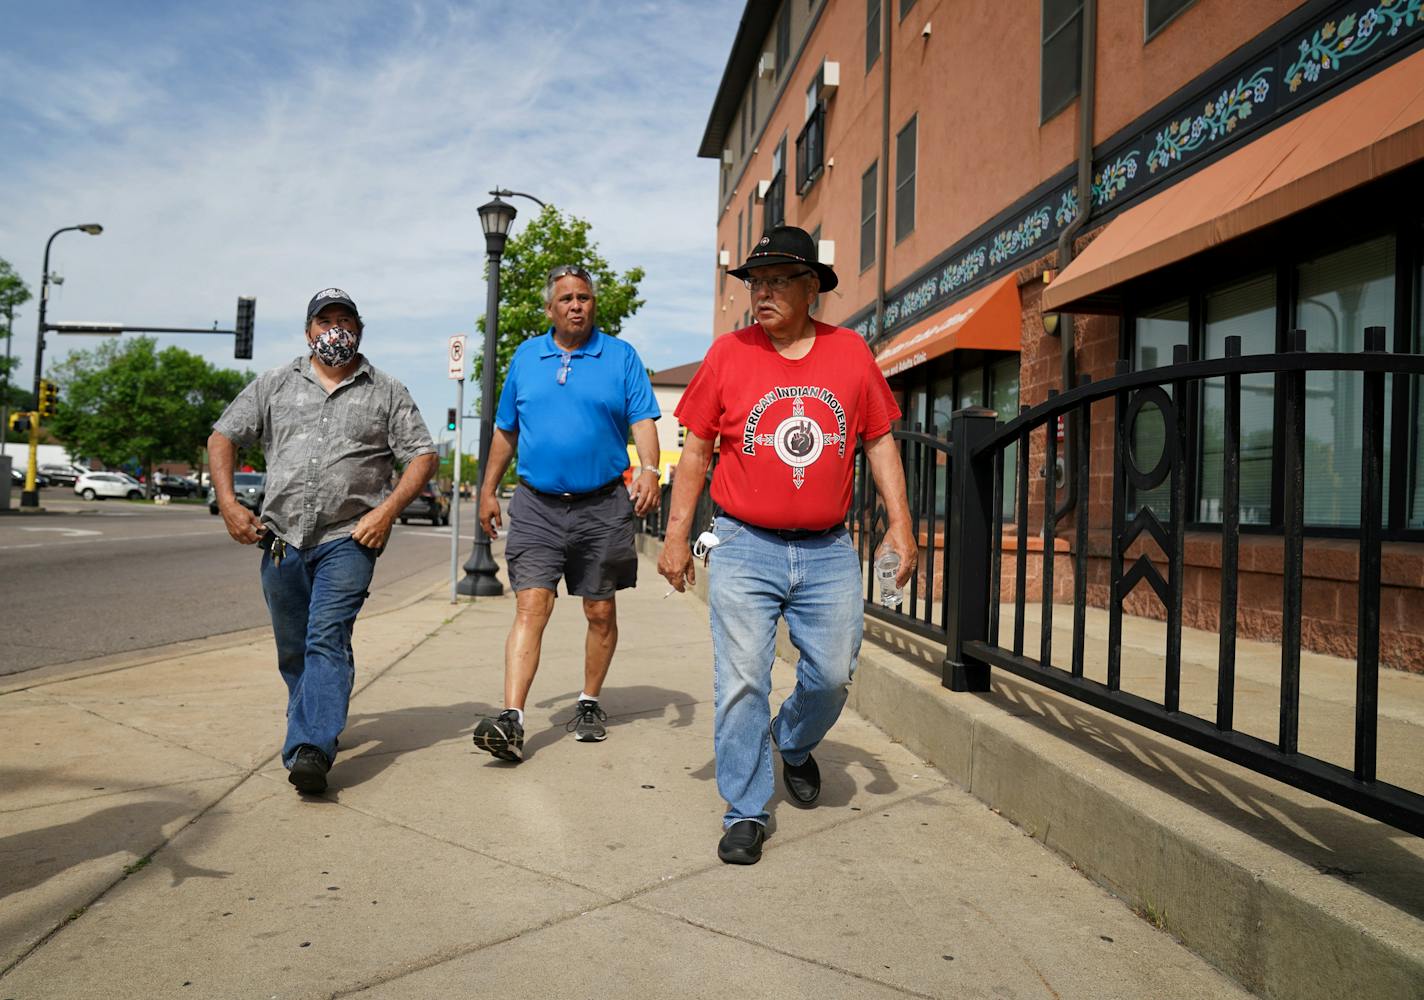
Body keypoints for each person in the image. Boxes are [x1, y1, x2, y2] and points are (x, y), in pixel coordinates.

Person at [657, 226, 917, 865]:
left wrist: (901, 524)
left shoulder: (850, 353)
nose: (761, 293)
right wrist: (676, 534)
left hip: (828, 550)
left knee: (831, 674)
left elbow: (879, 440)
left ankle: (793, 742)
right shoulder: (728, 354)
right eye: (755, 282)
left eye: (777, 281)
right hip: (745, 544)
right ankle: (745, 809)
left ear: (812, 289)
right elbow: (694, 451)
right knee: (742, 680)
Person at [208, 288, 437, 795]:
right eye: (325, 320)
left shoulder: (387, 391)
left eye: (345, 320)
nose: (335, 329)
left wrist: (386, 511)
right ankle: (314, 722)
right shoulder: (272, 384)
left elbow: (422, 455)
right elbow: (223, 434)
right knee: (294, 651)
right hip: (282, 540)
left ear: (359, 329)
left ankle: (310, 747)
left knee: (326, 638)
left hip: (349, 537)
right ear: (308, 330)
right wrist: (228, 502)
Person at [471, 264, 662, 763]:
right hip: (536, 504)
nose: (576, 305)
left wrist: (650, 469)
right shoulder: (526, 357)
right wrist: (487, 489)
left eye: (584, 297)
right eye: (566, 299)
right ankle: (512, 718)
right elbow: (506, 431)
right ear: (550, 308)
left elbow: (643, 419)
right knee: (532, 605)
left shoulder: (620, 356)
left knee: (599, 610)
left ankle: (589, 701)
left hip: (602, 505)